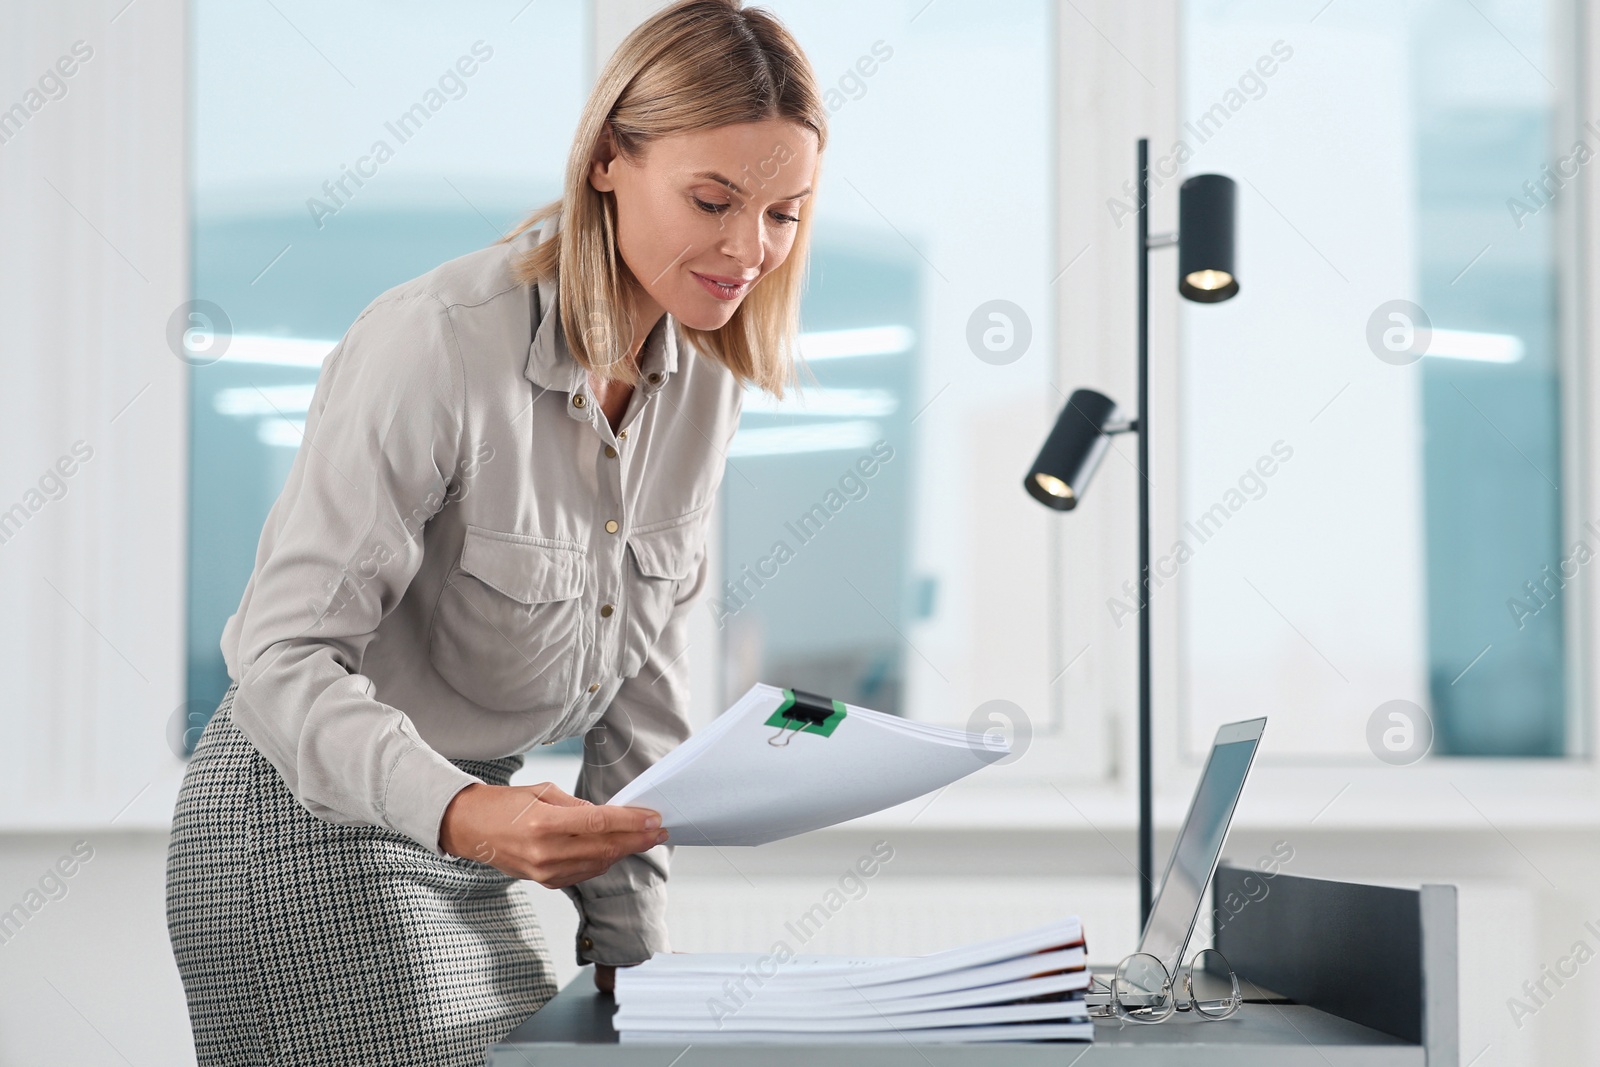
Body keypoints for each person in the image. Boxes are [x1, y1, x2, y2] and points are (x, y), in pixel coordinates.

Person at [164, 2, 826, 1062]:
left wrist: (630, 952)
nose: (750, 248)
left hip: (483, 834)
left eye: (785, 214)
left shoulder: (703, 386)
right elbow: (278, 654)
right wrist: (471, 812)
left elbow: (643, 686)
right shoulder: (436, 342)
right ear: (609, 159)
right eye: (714, 199)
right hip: (303, 818)